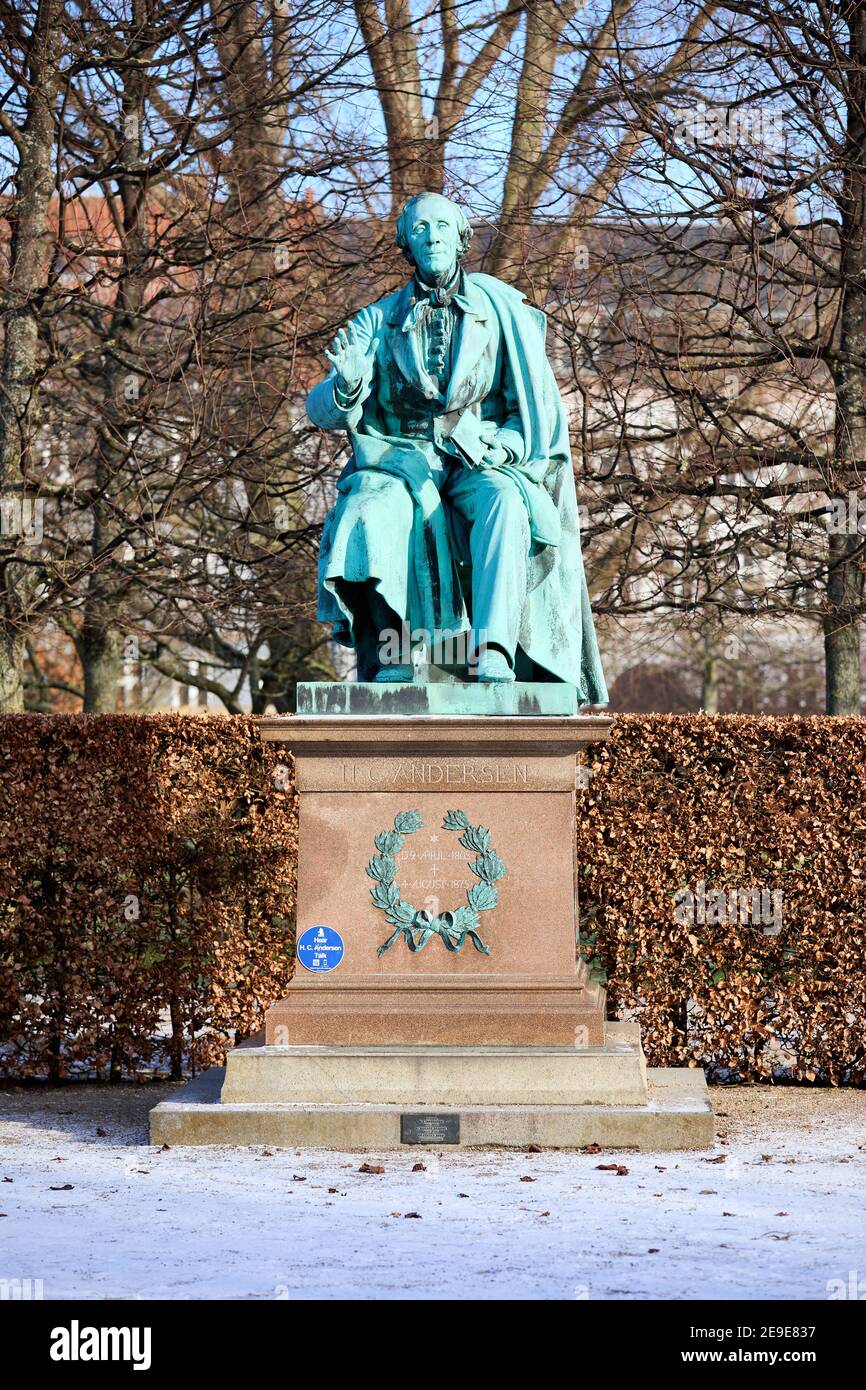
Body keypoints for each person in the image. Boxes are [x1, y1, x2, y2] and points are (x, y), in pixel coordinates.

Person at [306, 190, 607, 702]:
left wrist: (505, 447)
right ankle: (393, 654)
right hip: (402, 458)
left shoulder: (500, 308)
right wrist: (347, 386)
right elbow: (320, 410)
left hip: (476, 459)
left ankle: (493, 649)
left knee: (506, 503)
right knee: (366, 511)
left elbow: (528, 409)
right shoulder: (376, 321)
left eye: (444, 226)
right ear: (406, 245)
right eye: (420, 229)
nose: (433, 236)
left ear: (463, 239)